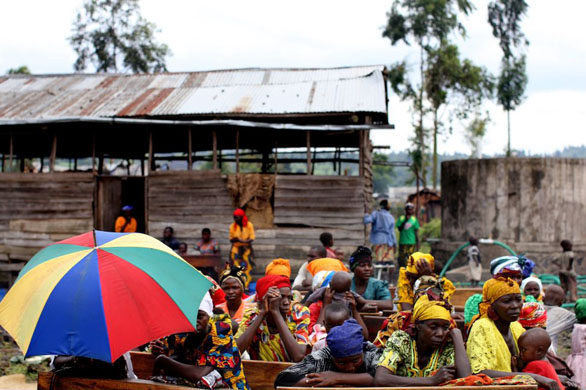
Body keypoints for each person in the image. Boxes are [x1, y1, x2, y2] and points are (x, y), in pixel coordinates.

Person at [466, 277, 560, 390]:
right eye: (507, 301)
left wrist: (554, 376)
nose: (515, 305)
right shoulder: (482, 327)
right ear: (491, 306)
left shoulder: (515, 326)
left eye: (518, 299)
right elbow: (480, 373)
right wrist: (535, 377)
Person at [150, 293, 249, 390]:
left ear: (209, 317)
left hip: (230, 387)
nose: (194, 321)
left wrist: (163, 360)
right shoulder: (181, 332)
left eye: (200, 316)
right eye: (190, 316)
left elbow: (200, 374)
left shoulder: (220, 333)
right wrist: (160, 351)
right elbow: (172, 357)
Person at [374, 293, 470, 385]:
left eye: (445, 327)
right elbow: (381, 378)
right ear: (418, 325)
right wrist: (431, 380)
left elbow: (467, 380)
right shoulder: (401, 340)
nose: (440, 334)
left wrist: (457, 336)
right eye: (433, 327)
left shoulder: (447, 345)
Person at [274, 319, 383, 388]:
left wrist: (337, 377)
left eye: (355, 360)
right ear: (332, 356)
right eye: (341, 363)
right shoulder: (321, 357)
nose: (350, 368)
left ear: (361, 351)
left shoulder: (371, 351)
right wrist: (326, 383)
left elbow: (382, 379)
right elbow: (282, 380)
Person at [236, 275, 310, 362]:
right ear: (264, 300)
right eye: (281, 298)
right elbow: (235, 352)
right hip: (259, 372)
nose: (287, 302)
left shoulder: (298, 313)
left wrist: (276, 313)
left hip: (292, 372)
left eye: (289, 297)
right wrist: (262, 313)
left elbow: (299, 356)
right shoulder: (252, 315)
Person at [306, 271, 370, 334]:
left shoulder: (349, 301)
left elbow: (364, 335)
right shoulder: (316, 307)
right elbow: (316, 334)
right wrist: (325, 305)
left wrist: (354, 309)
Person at [349, 246, 393, 310]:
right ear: (353, 268)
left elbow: (388, 304)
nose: (367, 269)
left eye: (369, 265)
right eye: (362, 265)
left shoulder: (378, 284)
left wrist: (363, 301)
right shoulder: (347, 283)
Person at [544, 285, 576, 355]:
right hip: (548, 351)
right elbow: (581, 319)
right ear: (561, 302)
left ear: (543, 298)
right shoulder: (566, 315)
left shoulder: (534, 308)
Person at [229, 209, 255, 288]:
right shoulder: (233, 226)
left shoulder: (249, 225)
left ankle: (245, 286)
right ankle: (238, 286)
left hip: (246, 251)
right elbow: (231, 239)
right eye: (234, 217)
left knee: (246, 269)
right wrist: (238, 240)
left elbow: (252, 238)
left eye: (236, 217)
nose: (235, 219)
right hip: (236, 251)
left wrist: (243, 241)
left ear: (241, 217)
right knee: (236, 269)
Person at [567, 299, 586, 390]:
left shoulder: (576, 327)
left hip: (575, 360)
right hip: (584, 360)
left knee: (577, 380)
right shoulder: (585, 329)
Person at [396, 203, 420, 268]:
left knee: (410, 259)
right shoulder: (401, 218)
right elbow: (399, 229)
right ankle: (402, 270)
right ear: (406, 210)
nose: (410, 211)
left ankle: (409, 270)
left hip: (411, 242)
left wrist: (418, 243)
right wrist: (405, 220)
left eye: (411, 209)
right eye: (408, 209)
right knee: (402, 258)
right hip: (403, 242)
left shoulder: (414, 220)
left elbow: (416, 232)